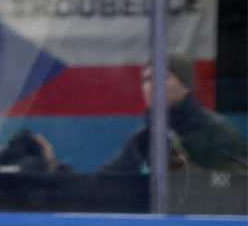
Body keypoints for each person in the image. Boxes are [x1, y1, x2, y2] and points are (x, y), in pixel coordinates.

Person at [98, 55, 247, 174]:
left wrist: (185, 171)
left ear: (186, 85)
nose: (152, 85)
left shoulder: (219, 132)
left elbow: (237, 189)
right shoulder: (141, 139)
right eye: (147, 79)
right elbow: (103, 184)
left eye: (162, 77)